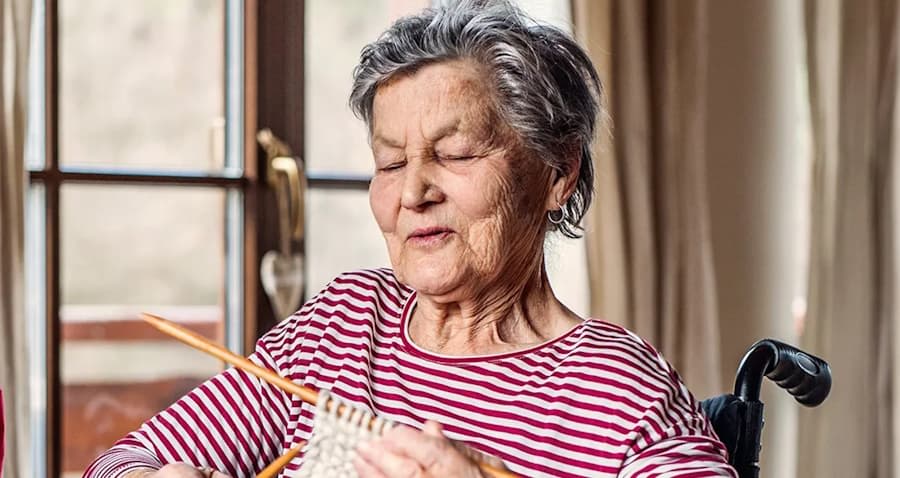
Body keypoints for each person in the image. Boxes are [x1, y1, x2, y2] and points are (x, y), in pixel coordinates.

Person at [84, 1, 736, 477]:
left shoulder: (615, 389)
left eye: (454, 153)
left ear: (557, 171)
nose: (413, 192)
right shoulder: (338, 330)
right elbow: (121, 461)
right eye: (391, 163)